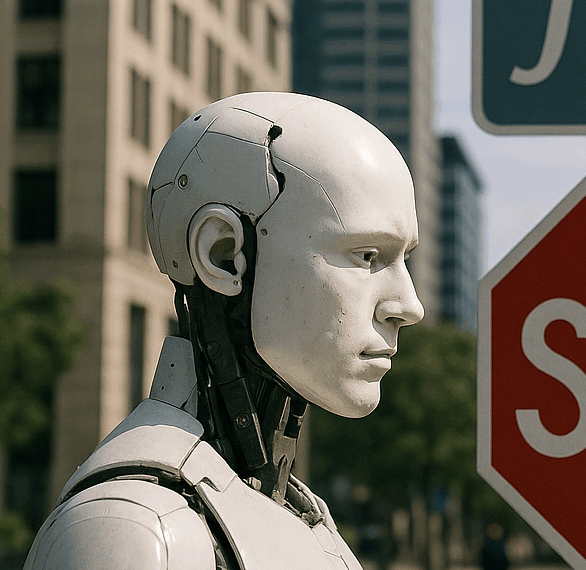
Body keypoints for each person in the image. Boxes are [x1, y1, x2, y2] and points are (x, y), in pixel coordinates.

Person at [23, 92, 423, 569]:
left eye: (404, 259)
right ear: (223, 255)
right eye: (367, 257)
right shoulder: (136, 532)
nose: (409, 306)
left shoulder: (304, 519)